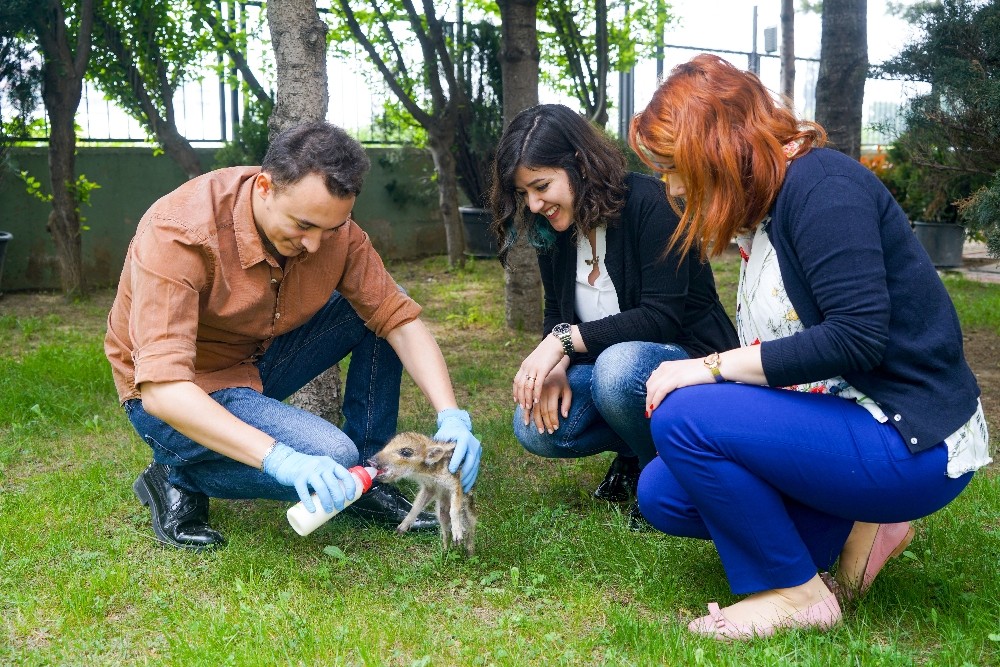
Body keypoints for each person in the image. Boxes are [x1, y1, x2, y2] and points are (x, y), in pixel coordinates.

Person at [629, 54, 991, 640]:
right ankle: (858, 529)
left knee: (686, 415)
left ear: (717, 148)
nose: (671, 186)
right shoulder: (767, 207)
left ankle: (799, 596)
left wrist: (710, 368)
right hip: (847, 418)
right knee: (665, 493)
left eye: (675, 167)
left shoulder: (823, 187)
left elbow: (857, 337)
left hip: (909, 437)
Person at [105, 121, 482, 550]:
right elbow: (163, 390)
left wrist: (452, 416)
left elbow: (398, 319)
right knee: (331, 455)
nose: (316, 245)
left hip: (255, 360)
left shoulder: (329, 230)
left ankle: (366, 479)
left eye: (332, 229)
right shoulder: (179, 232)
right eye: (303, 225)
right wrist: (281, 460)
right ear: (264, 187)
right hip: (181, 389)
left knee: (378, 309)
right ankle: (177, 472)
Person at [488, 104, 738, 516]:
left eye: (541, 186)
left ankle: (663, 472)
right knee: (533, 426)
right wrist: (555, 365)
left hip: (692, 363)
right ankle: (635, 448)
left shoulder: (652, 203)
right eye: (523, 193)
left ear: (581, 165)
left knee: (618, 369)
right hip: (615, 375)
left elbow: (661, 318)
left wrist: (563, 342)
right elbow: (557, 309)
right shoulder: (555, 227)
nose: (533, 205)